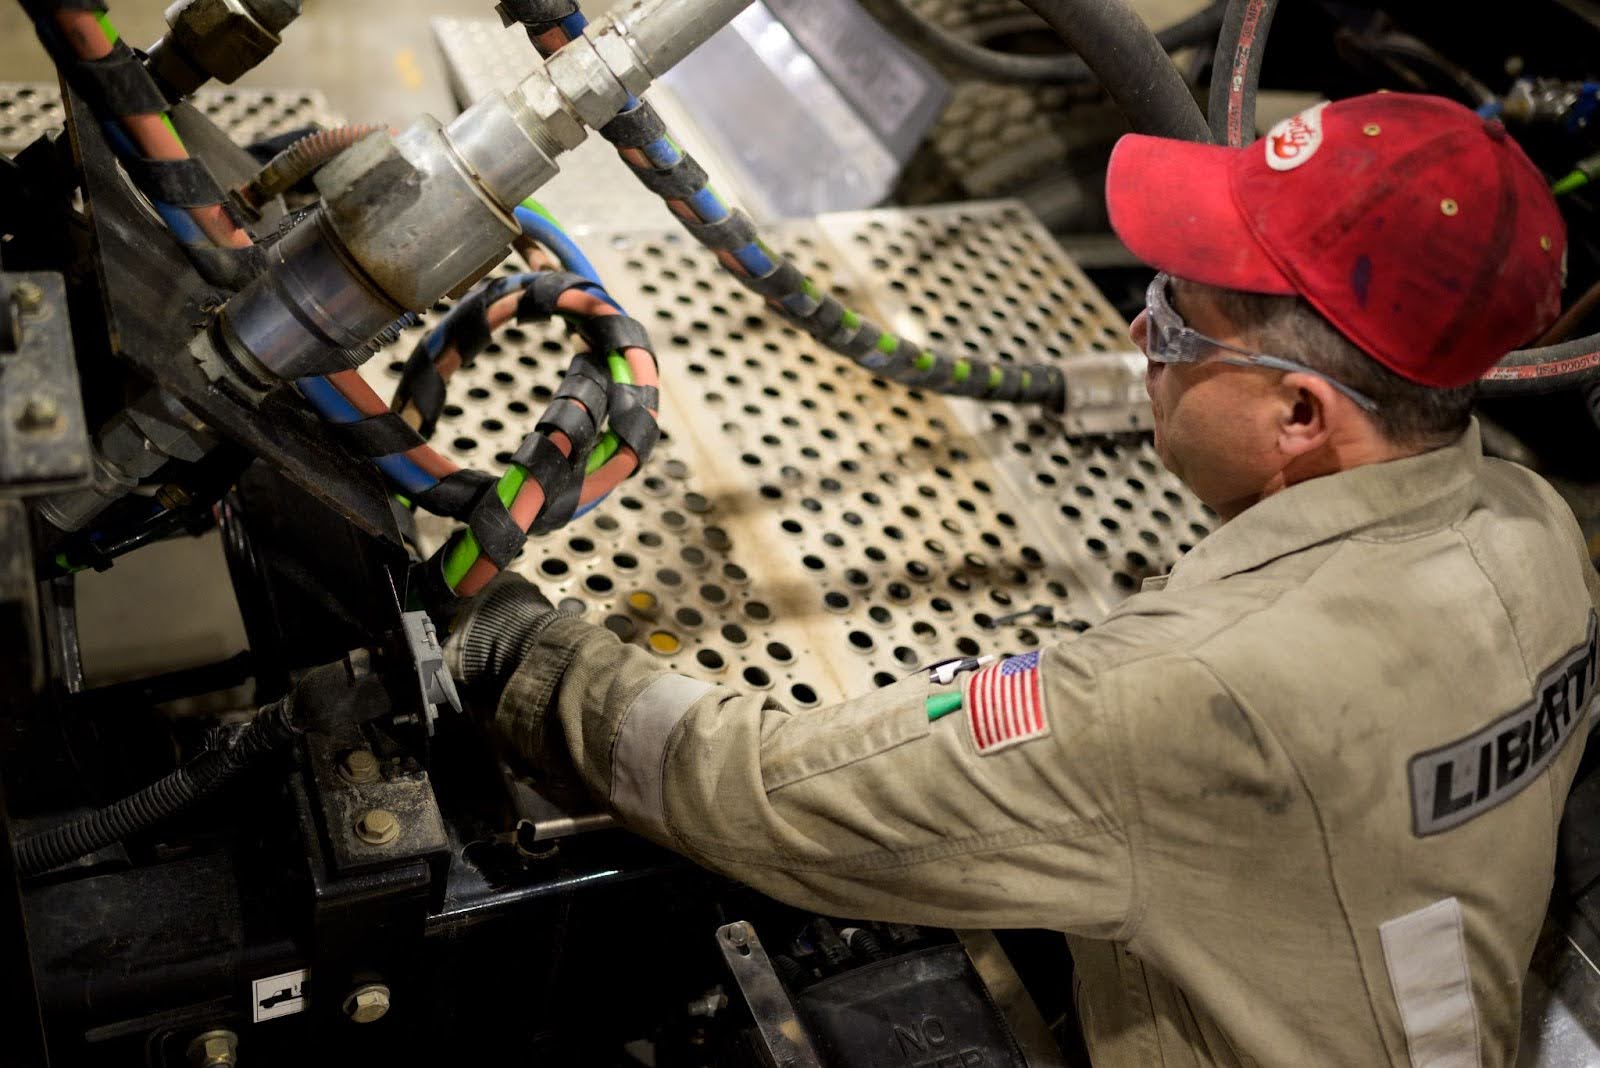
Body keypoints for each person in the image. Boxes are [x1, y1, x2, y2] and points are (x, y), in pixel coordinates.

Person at [445, 92, 1600, 1066]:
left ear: (1301, 415)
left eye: (1176, 326)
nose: (1142, 342)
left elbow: (760, 794)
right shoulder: (1535, 526)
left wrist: (522, 654)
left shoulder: (1192, 693)